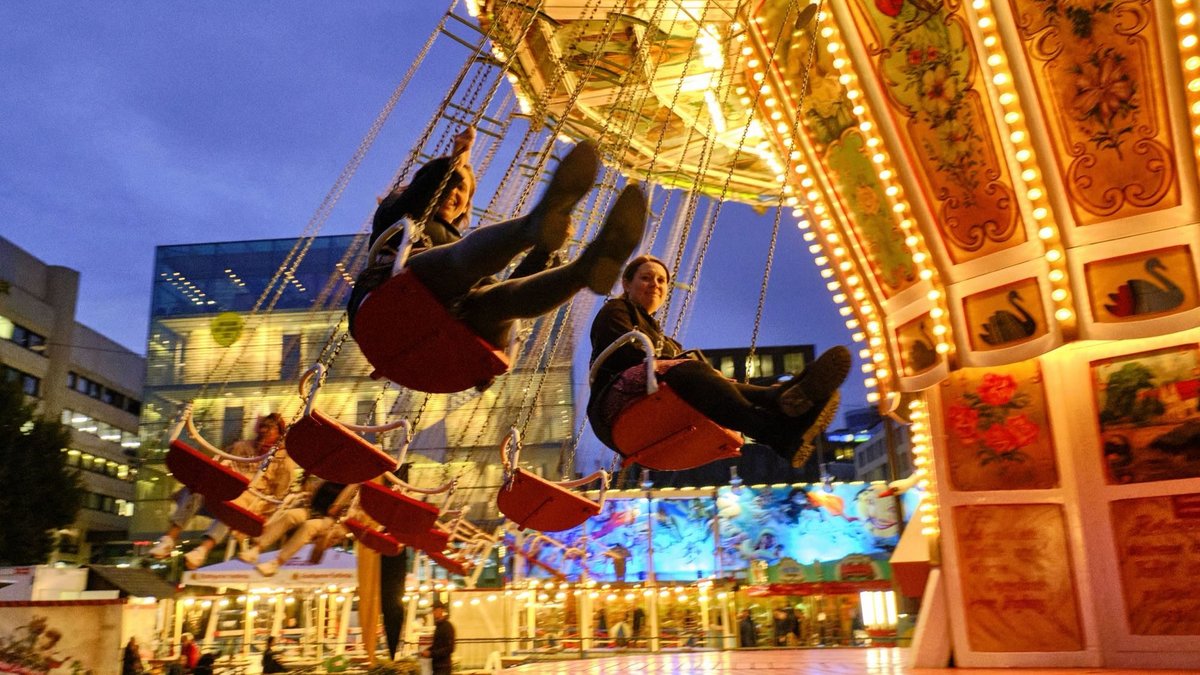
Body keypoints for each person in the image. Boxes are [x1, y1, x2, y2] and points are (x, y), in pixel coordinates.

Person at [348, 128, 648, 361]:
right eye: (451, 184)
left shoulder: (470, 245)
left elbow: (515, 282)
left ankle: (584, 270)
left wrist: (545, 252)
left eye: (462, 189)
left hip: (462, 327)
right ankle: (534, 226)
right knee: (458, 262)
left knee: (506, 298)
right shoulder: (401, 214)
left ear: (467, 205)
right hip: (395, 296)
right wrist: (457, 160)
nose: (455, 191)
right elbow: (422, 192)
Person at [588, 255, 851, 465]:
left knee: (706, 377)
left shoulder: (663, 338)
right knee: (690, 371)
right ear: (626, 283)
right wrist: (672, 365)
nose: (654, 284)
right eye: (646, 278)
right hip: (615, 404)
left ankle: (784, 404)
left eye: (661, 280)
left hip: (652, 397)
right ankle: (778, 414)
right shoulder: (616, 310)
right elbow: (627, 351)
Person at [149, 414, 297, 570]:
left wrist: (264, 516)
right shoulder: (242, 447)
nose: (264, 430)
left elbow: (280, 493)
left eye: (270, 427)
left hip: (247, 502)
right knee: (200, 487)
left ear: (279, 434)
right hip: (223, 490)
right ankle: (169, 539)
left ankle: (202, 550)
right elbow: (223, 463)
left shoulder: (284, 460)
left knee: (232, 506)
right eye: (263, 426)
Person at [241, 477, 355, 576]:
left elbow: (341, 511)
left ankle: (276, 563)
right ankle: (257, 549)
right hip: (312, 510)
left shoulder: (354, 487)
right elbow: (313, 495)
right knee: (290, 515)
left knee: (309, 526)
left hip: (330, 521)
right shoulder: (329, 477)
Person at [421, 601, 456, 675]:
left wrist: (431, 653)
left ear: (442, 610)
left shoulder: (447, 626)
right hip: (437, 666)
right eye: (433, 610)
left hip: (443, 667)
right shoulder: (438, 626)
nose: (434, 612)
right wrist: (428, 650)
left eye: (436, 609)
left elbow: (450, 648)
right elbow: (437, 645)